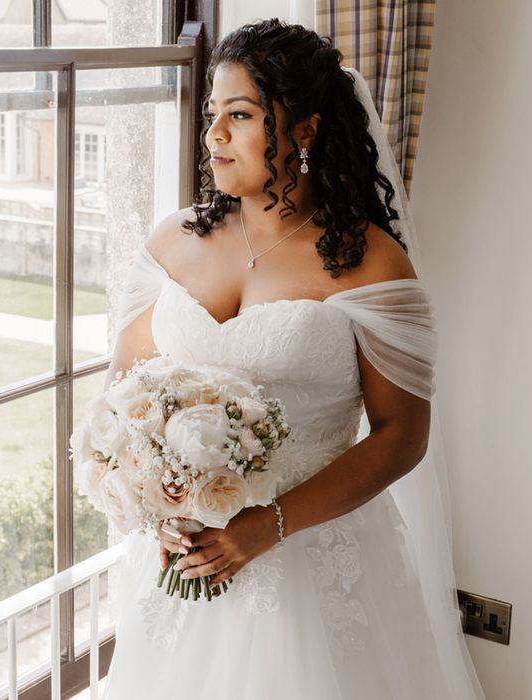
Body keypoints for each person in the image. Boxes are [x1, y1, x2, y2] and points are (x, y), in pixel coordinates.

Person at [102, 17, 486, 699]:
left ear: (303, 129)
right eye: (213, 114)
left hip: (311, 562)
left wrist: (267, 527)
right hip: (183, 560)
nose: (214, 133)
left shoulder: (370, 265)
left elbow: (402, 436)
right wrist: (155, 507)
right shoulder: (172, 242)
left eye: (240, 115)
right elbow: (125, 397)